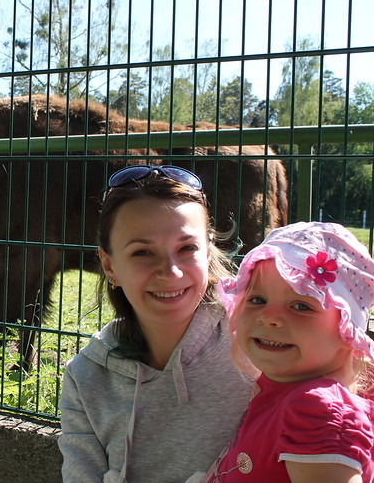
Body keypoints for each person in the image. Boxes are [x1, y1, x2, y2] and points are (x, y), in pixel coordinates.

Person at [59, 165, 254, 482]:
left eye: (187, 248)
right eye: (143, 252)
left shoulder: (255, 343)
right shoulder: (86, 378)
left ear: (208, 252)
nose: (171, 272)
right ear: (110, 266)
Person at [205, 221, 374, 482]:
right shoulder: (282, 391)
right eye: (257, 300)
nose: (269, 318)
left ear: (346, 333)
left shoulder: (317, 408)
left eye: (301, 305)